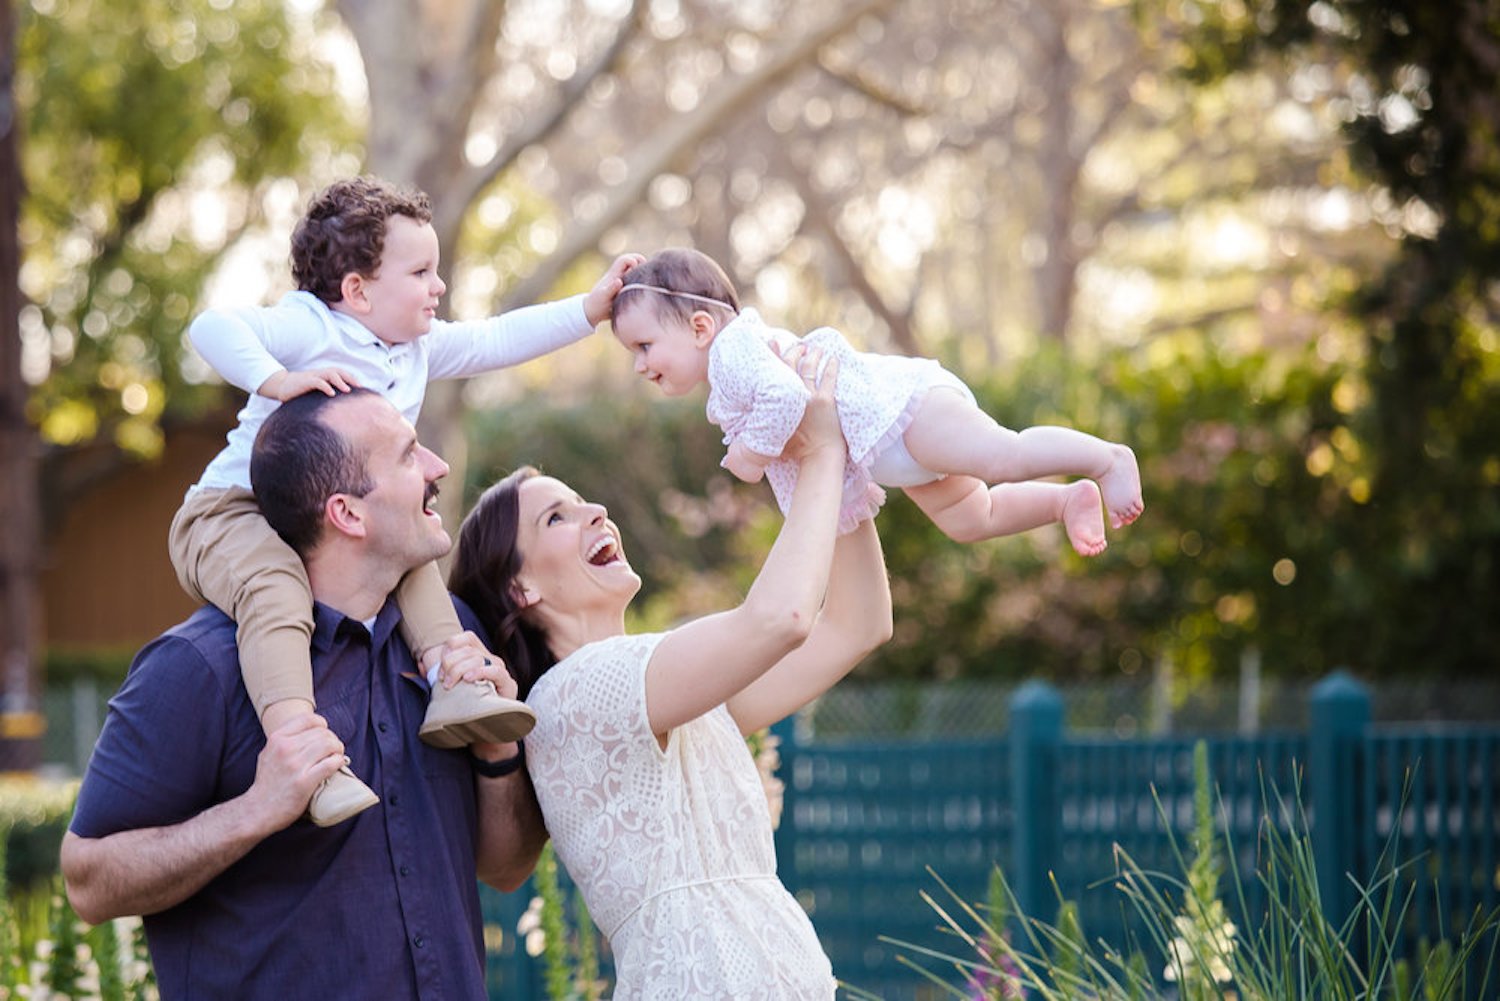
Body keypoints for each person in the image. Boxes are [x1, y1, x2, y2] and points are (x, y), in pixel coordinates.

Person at [171, 174, 641, 824]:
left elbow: (495, 338)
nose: (438, 286)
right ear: (357, 290)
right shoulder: (311, 325)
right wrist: (276, 379)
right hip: (234, 511)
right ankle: (304, 754)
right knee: (275, 590)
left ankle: (453, 678)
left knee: (413, 545)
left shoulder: (416, 349)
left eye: (436, 270)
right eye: (421, 271)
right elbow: (212, 325)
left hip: (348, 517)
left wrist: (588, 310)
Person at [62, 389, 547, 1000]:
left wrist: (494, 754)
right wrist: (254, 812)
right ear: (347, 514)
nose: (437, 467)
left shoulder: (457, 645)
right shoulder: (197, 668)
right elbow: (89, 882)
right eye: (407, 457)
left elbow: (506, 869)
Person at [448, 352, 893, 999]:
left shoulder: (671, 697)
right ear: (520, 585)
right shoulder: (576, 693)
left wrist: (836, 471)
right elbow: (783, 617)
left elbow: (857, 624)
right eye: (557, 517)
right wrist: (820, 458)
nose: (596, 510)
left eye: (581, 502)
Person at [609, 247, 1144, 554]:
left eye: (644, 345)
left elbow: (784, 397)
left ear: (701, 326)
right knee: (969, 518)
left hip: (906, 411)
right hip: (896, 446)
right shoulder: (726, 370)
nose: (639, 365)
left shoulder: (731, 352)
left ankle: (1107, 458)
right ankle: (1063, 501)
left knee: (1005, 455)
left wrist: (750, 454)